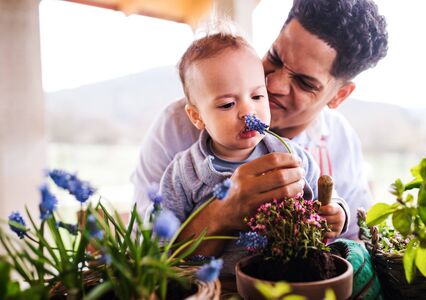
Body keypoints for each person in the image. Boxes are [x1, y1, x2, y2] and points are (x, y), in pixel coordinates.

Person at [131, 0, 388, 253]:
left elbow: (358, 240)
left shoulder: (337, 143)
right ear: (197, 115)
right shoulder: (177, 132)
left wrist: (336, 214)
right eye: (275, 58)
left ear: (338, 96)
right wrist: (223, 211)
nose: (273, 85)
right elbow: (147, 251)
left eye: (304, 82)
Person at [154, 31, 350, 272]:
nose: (249, 112)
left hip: (286, 277)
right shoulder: (183, 173)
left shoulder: (291, 157)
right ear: (197, 116)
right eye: (227, 104)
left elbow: (325, 200)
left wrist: (337, 212)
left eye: (258, 96)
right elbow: (163, 246)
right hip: (217, 288)